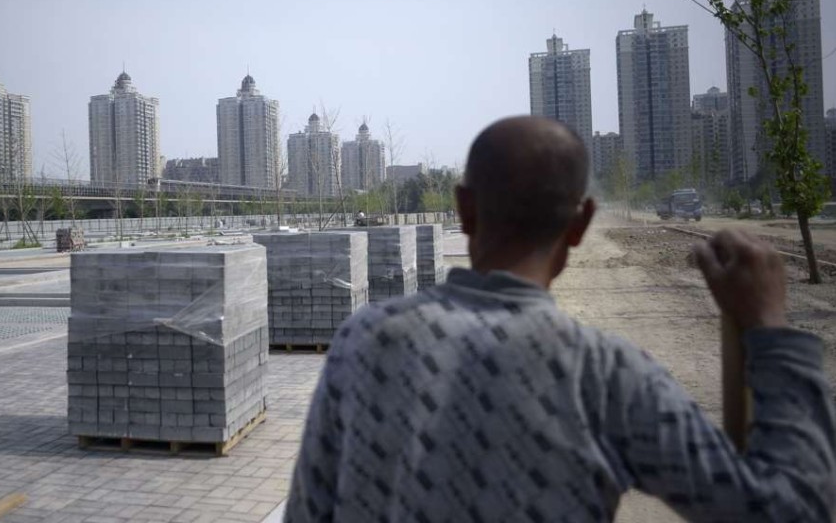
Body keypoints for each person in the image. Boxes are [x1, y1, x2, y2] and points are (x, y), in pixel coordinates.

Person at [284, 116, 835, 522]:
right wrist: (769, 328)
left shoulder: (362, 341)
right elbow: (790, 509)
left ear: (464, 209)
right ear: (582, 222)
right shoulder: (606, 376)